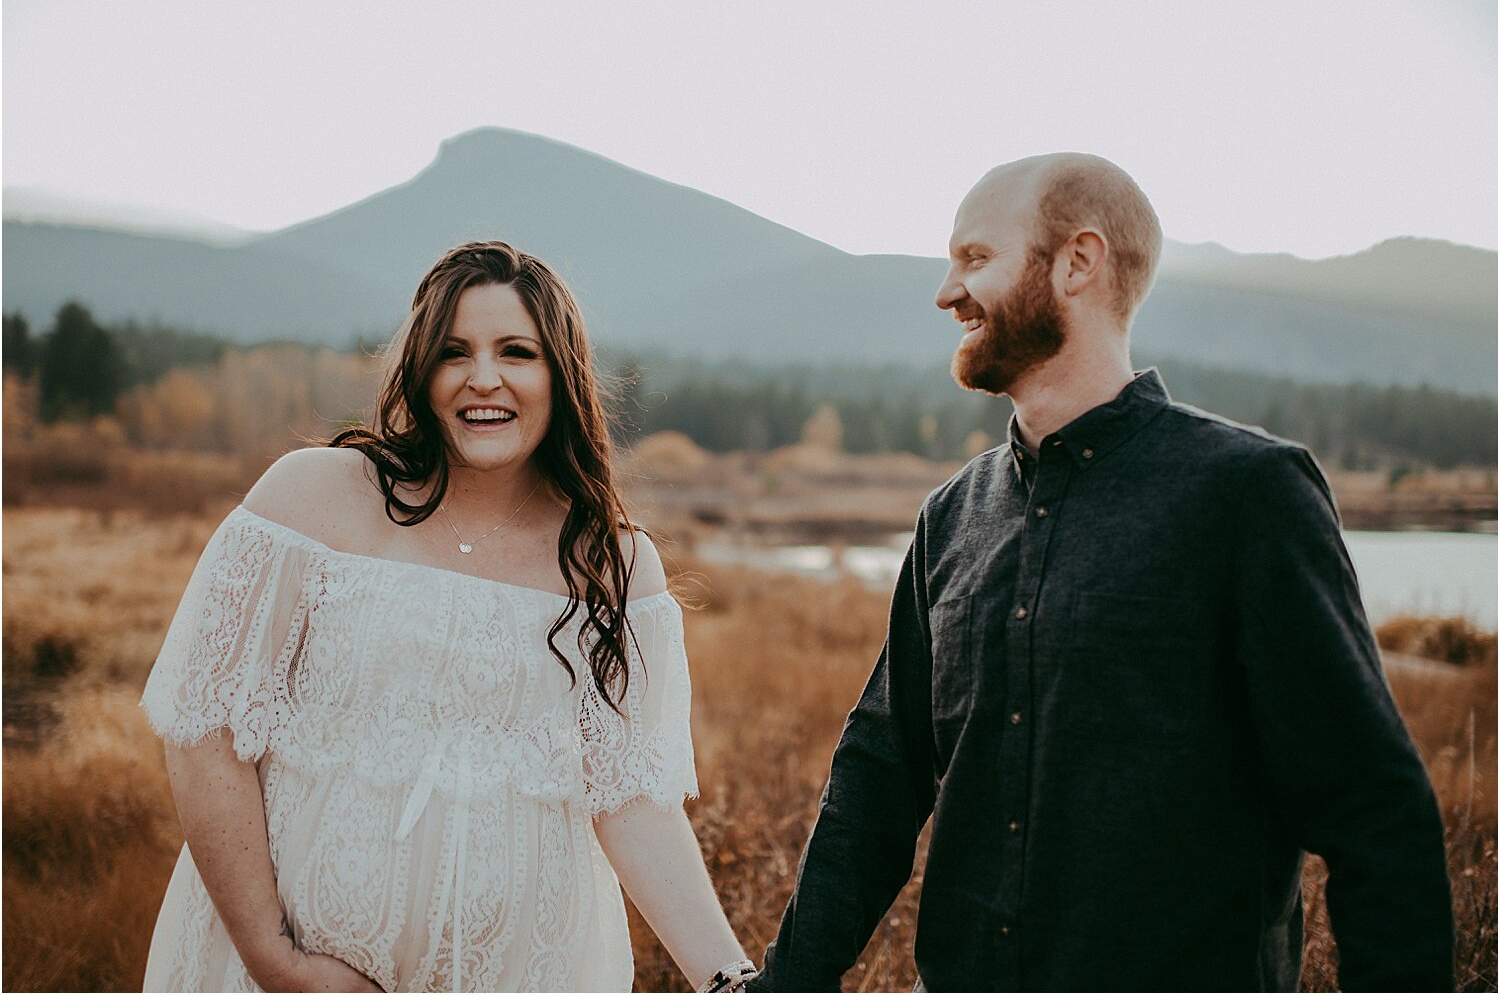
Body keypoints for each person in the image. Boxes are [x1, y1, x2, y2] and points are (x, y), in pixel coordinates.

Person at [753, 155, 1453, 991]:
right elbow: (877, 777)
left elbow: (1372, 811)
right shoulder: (952, 515)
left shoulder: (1245, 493)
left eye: (975, 258)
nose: (947, 292)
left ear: (1077, 263)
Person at [140, 241, 756, 993]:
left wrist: (730, 979)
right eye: (454, 351)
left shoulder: (613, 567)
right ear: (420, 370)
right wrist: (277, 959)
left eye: (517, 352)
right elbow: (204, 729)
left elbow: (634, 801)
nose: (483, 378)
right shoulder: (308, 500)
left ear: (561, 375)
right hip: (279, 970)